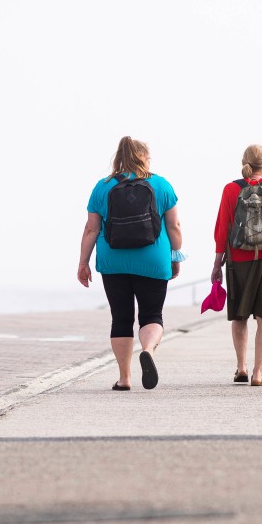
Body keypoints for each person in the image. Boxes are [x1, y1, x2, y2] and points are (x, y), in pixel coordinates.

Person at [78, 136, 183, 391]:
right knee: (151, 315)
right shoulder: (161, 184)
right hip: (153, 260)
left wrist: (83, 263)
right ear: (144, 158)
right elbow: (174, 226)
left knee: (121, 319)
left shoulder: (102, 187)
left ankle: (124, 378)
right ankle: (147, 350)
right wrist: (175, 256)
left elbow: (91, 229)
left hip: (113, 262)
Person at [211, 144, 262, 387]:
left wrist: (217, 263)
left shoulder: (231, 190)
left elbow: (222, 229)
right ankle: (258, 373)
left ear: (244, 162)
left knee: (239, 317)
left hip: (238, 260)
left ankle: (241, 367)